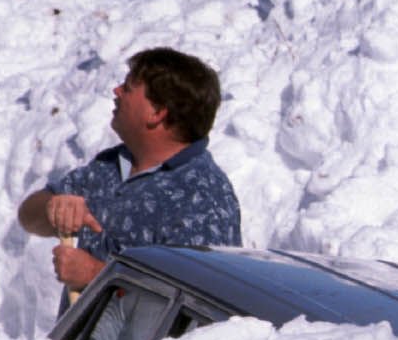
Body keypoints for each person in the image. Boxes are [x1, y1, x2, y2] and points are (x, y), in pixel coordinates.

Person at [19, 47, 241, 304]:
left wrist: (97, 275)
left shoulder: (203, 199)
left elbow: (203, 302)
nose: (116, 91)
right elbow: (28, 217)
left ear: (157, 112)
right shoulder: (110, 166)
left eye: (128, 87)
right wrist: (51, 208)